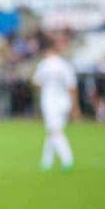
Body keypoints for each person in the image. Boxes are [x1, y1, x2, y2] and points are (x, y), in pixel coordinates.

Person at [32, 33, 81, 171]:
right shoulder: (65, 65)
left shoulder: (44, 64)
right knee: (52, 131)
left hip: (50, 102)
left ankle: (68, 159)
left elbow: (36, 82)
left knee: (55, 131)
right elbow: (72, 87)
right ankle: (46, 162)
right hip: (64, 101)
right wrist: (75, 107)